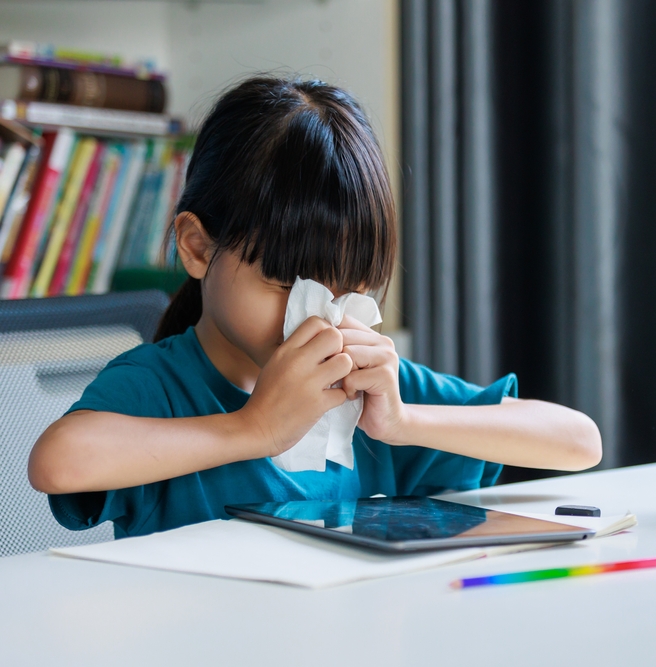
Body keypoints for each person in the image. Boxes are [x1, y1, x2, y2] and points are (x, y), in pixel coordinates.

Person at [27, 76, 601, 539]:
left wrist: (405, 422)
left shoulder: (368, 391)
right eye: (285, 284)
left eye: (349, 289)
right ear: (199, 248)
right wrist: (254, 428)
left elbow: (578, 442)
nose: (319, 319)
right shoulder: (162, 386)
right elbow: (58, 462)